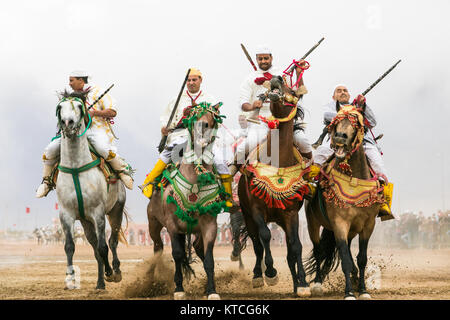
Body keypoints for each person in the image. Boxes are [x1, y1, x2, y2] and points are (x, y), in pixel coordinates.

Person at [141, 68, 233, 206]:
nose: (191, 83)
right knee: (170, 152)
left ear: (200, 80)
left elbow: (216, 121)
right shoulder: (176, 100)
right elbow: (166, 119)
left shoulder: (210, 99)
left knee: (220, 160)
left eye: (194, 80)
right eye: (188, 80)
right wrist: (164, 128)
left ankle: (227, 197)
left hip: (205, 138)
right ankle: (148, 183)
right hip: (181, 134)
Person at [36, 70, 133, 198]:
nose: (69, 84)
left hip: (96, 131)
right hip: (73, 132)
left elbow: (113, 112)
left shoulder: (98, 91)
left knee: (102, 148)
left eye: (72, 80)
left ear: (81, 81)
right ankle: (47, 181)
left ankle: (122, 171)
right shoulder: (70, 97)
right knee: (50, 149)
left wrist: (94, 113)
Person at [309, 84, 394, 220]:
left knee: (379, 166)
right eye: (339, 91)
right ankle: (312, 185)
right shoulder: (331, 106)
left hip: (363, 142)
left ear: (349, 95)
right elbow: (327, 116)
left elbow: (372, 122)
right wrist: (352, 112)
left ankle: (384, 202)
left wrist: (364, 105)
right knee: (320, 153)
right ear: (334, 96)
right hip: (337, 141)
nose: (342, 93)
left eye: (345, 91)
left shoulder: (359, 107)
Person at [229, 44, 312, 175]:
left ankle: (311, 172)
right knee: (247, 144)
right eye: (260, 59)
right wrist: (252, 106)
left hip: (284, 118)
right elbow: (242, 102)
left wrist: (299, 74)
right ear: (256, 60)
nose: (263, 61)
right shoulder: (249, 79)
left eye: (266, 58)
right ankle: (231, 171)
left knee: (303, 141)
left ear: (271, 58)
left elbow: (298, 94)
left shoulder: (282, 75)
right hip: (260, 119)